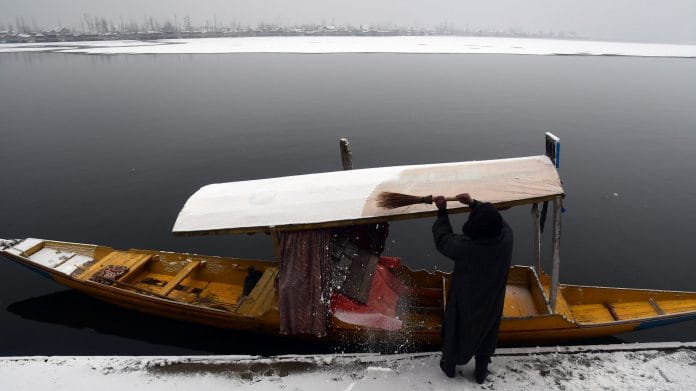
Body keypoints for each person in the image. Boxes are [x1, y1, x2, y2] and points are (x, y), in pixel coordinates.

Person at [432, 193, 513, 384]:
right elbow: (497, 219)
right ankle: (481, 370)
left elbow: (444, 240)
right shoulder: (506, 238)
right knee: (488, 331)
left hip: (465, 298)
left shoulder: (468, 248)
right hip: (492, 297)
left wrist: (442, 212)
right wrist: (474, 204)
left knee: (455, 328)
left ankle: (449, 365)